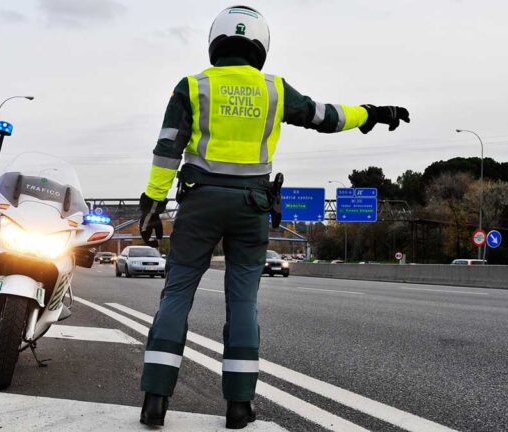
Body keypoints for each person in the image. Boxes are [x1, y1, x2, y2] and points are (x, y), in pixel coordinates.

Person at [137, 5, 410, 429]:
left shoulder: (192, 86)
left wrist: (152, 205)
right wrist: (372, 113)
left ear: (215, 42)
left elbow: (167, 148)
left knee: (176, 296)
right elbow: (325, 116)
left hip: (199, 204)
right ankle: (239, 406)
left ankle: (155, 399)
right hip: (251, 209)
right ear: (260, 45)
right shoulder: (274, 89)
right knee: (242, 303)